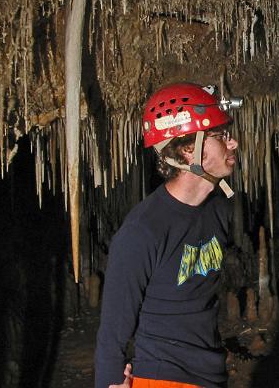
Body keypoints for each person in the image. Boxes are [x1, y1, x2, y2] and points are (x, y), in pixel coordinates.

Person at [95, 82, 241, 388]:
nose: (233, 144)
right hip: (161, 374)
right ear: (189, 150)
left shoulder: (217, 211)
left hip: (209, 372)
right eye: (220, 137)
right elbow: (113, 329)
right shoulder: (143, 231)